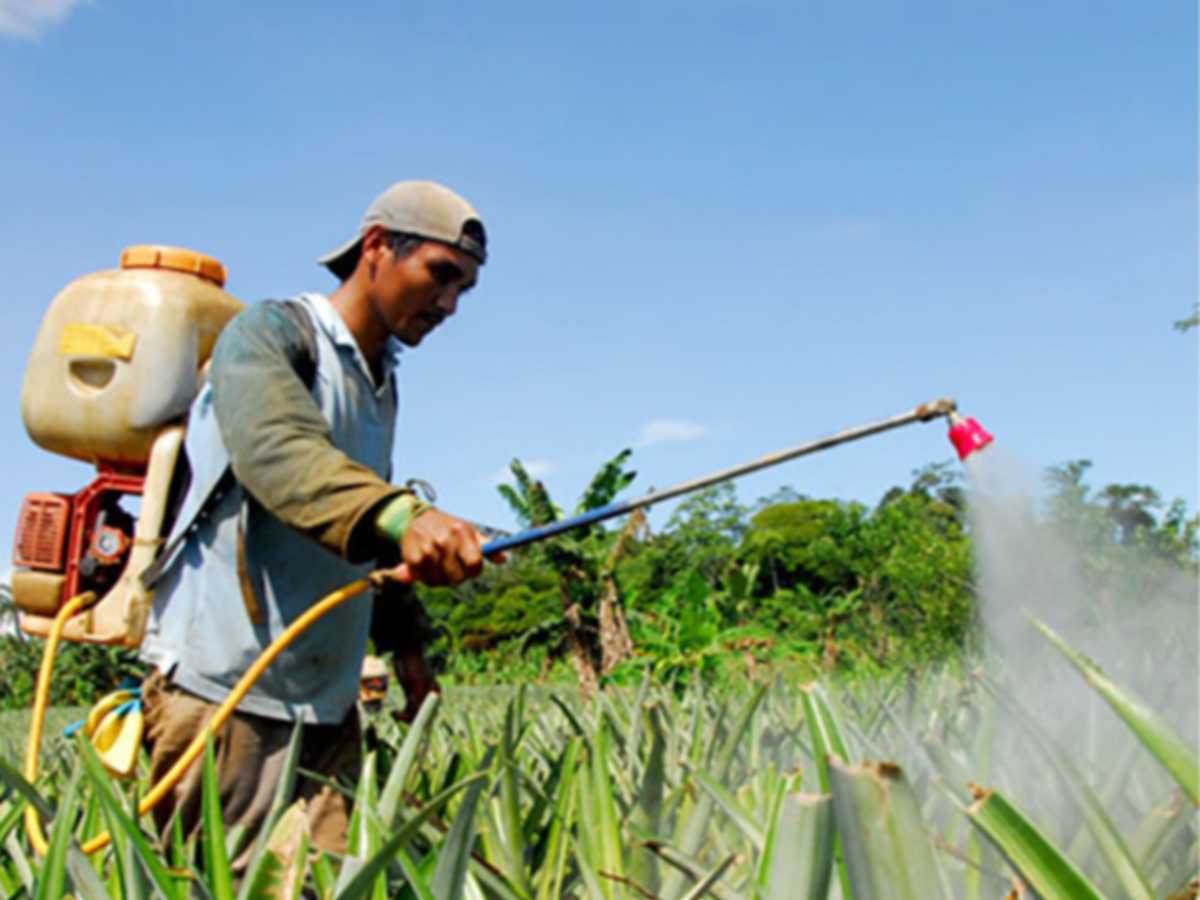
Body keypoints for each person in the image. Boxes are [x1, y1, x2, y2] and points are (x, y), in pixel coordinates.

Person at [137, 180, 495, 861]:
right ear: (378, 247)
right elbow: (281, 455)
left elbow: (366, 532)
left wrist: (409, 651)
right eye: (441, 276)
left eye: (464, 290)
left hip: (327, 706)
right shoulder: (270, 334)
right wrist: (404, 514)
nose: (449, 304)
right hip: (226, 696)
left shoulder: (380, 381)